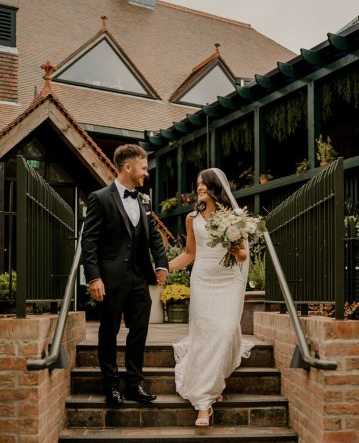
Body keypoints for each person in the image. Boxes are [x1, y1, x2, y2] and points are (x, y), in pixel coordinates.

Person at [81, 144, 168, 406]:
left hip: (139, 277)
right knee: (108, 332)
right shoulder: (100, 197)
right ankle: (110, 386)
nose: (146, 173)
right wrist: (94, 277)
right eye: (143, 168)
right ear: (128, 167)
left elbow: (153, 235)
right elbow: (90, 241)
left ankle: (133, 384)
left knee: (139, 330)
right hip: (110, 279)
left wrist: (162, 263)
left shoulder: (143, 200)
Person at [168, 168, 254, 426]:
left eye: (203, 183)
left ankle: (211, 383)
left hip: (229, 281)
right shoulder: (192, 218)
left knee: (226, 330)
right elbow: (190, 253)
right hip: (203, 280)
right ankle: (204, 402)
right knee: (206, 334)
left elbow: (243, 256)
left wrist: (231, 244)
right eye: (197, 184)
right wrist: (163, 267)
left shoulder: (235, 216)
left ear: (215, 186)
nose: (199, 187)